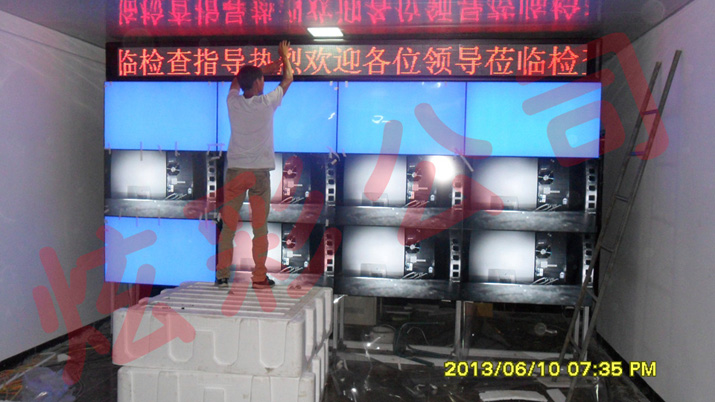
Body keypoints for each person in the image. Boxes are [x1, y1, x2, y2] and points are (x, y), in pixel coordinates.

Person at [216, 40, 293, 289]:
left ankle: (222, 275)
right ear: (259, 83)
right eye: (262, 79)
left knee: (228, 226)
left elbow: (236, 82)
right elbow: (288, 78)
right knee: (260, 228)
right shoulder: (267, 102)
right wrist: (284, 57)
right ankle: (259, 277)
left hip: (235, 172)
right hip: (259, 174)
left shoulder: (233, 102)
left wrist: (261, 70)